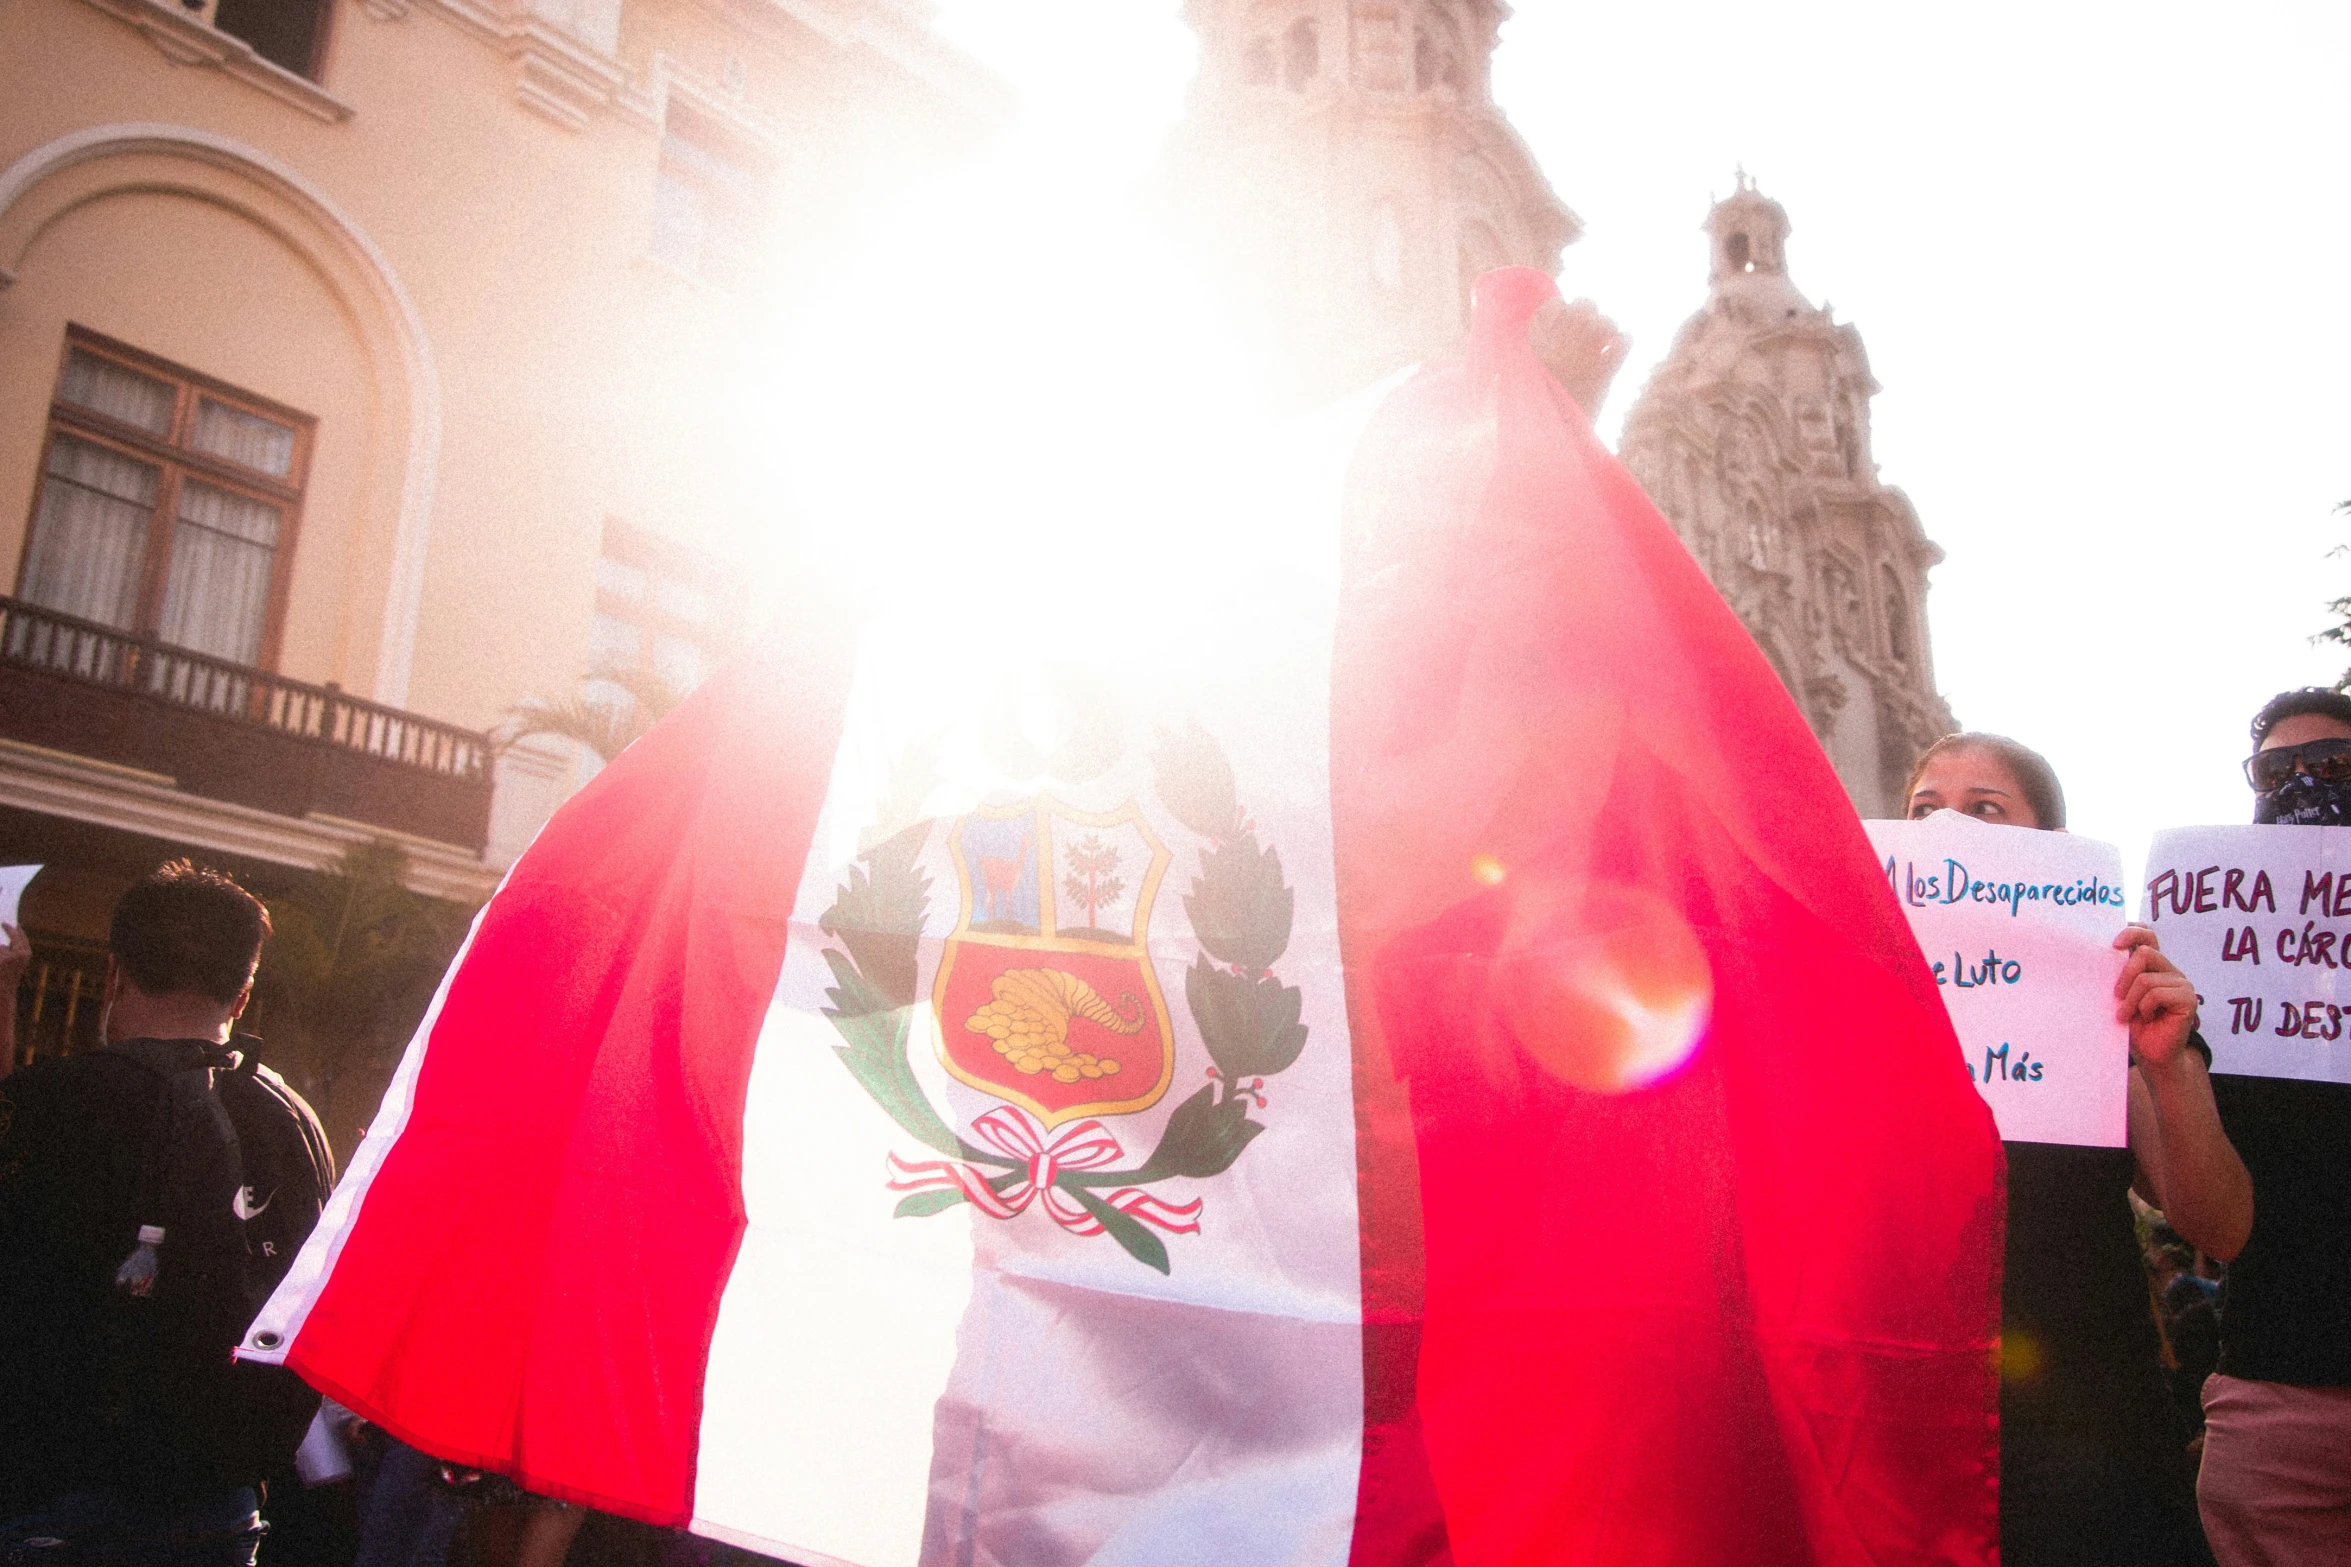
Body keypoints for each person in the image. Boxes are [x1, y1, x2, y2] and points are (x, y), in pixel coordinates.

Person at [1906, 732, 2251, 1567]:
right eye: (1923, 809)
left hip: (2088, 1448)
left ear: (2050, 853)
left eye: (1985, 807)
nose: (1948, 828)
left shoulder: (2106, 1011)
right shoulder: (1853, 1002)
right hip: (1906, 1440)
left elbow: (2221, 1223)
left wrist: (2167, 1064)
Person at [0, 861, 332, 1565]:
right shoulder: (293, 1121)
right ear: (242, 993)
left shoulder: (58, 1099)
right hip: (221, 1505)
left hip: (51, 1497)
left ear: (113, 971)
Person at [2194, 689, 2351, 1564]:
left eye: (2334, 765)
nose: (2304, 785)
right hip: (2278, 1395)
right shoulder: (2220, 981)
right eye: (2275, 772)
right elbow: (2211, 1221)